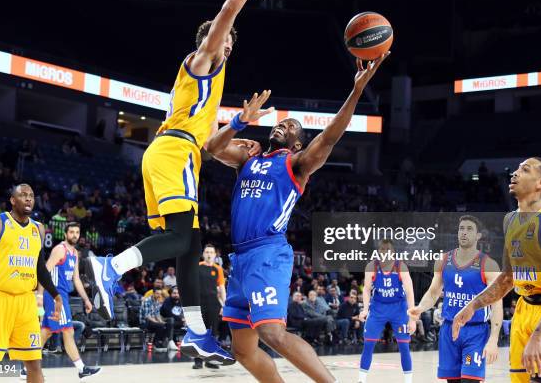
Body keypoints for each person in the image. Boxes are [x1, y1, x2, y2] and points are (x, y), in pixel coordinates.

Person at [85, 0, 262, 365]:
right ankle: (111, 266)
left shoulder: (211, 90)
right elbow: (229, 11)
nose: (228, 48)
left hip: (178, 154)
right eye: (224, 41)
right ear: (211, 40)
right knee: (183, 240)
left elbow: (214, 147)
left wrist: (239, 130)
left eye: (232, 45)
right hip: (173, 153)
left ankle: (198, 333)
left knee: (190, 244)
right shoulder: (202, 61)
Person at [207, 53, 389, 382]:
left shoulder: (297, 164)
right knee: (243, 349)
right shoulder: (249, 157)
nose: (282, 125)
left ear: (298, 142)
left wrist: (357, 90)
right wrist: (238, 122)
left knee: (272, 333)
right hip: (242, 257)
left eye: (291, 127)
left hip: (267, 251)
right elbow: (212, 148)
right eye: (281, 122)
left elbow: (331, 135)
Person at [452, 158, 541, 383]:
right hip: (524, 312)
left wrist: (538, 335)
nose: (515, 173)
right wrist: (473, 305)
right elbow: (507, 278)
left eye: (524, 169)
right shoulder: (509, 220)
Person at [0, 184, 62, 383]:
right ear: (12, 200)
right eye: (23, 195)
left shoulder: (38, 228)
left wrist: (56, 295)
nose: (28, 199)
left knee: (34, 361)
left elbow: (40, 268)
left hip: (26, 302)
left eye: (31, 196)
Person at [409, 215, 503, 382]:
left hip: (475, 331)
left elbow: (497, 304)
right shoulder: (443, 260)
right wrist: (420, 308)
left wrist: (494, 340)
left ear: (478, 235)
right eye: (461, 228)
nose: (464, 233)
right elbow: (433, 293)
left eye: (469, 229)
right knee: (452, 381)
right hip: (449, 330)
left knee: (469, 380)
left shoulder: (488, 264)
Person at [20, 222, 100, 380]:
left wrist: (86, 299)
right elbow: (44, 272)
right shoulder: (59, 250)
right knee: (67, 331)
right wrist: (40, 296)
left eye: (77, 232)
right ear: (65, 234)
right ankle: (81, 369)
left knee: (47, 332)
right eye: (72, 232)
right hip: (53, 294)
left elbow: (76, 279)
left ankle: (25, 368)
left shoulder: (75, 253)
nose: (75, 235)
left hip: (62, 295)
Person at [357, 239, 416, 383]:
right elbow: (366, 289)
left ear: (393, 252)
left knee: (404, 345)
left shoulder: (401, 267)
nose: (384, 252)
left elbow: (409, 292)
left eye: (387, 249)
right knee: (368, 344)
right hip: (378, 308)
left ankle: (408, 381)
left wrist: (412, 319)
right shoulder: (372, 266)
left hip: (399, 308)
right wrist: (365, 309)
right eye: (382, 249)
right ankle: (361, 380)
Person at [194, 244, 226, 369]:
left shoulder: (218, 269)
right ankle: (198, 360)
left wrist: (225, 305)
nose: (208, 254)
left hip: (213, 303)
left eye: (211, 252)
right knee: (199, 332)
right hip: (199, 303)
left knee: (213, 333)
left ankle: (210, 360)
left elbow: (221, 288)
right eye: (206, 252)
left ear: (214, 255)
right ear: (203, 254)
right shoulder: (197, 267)